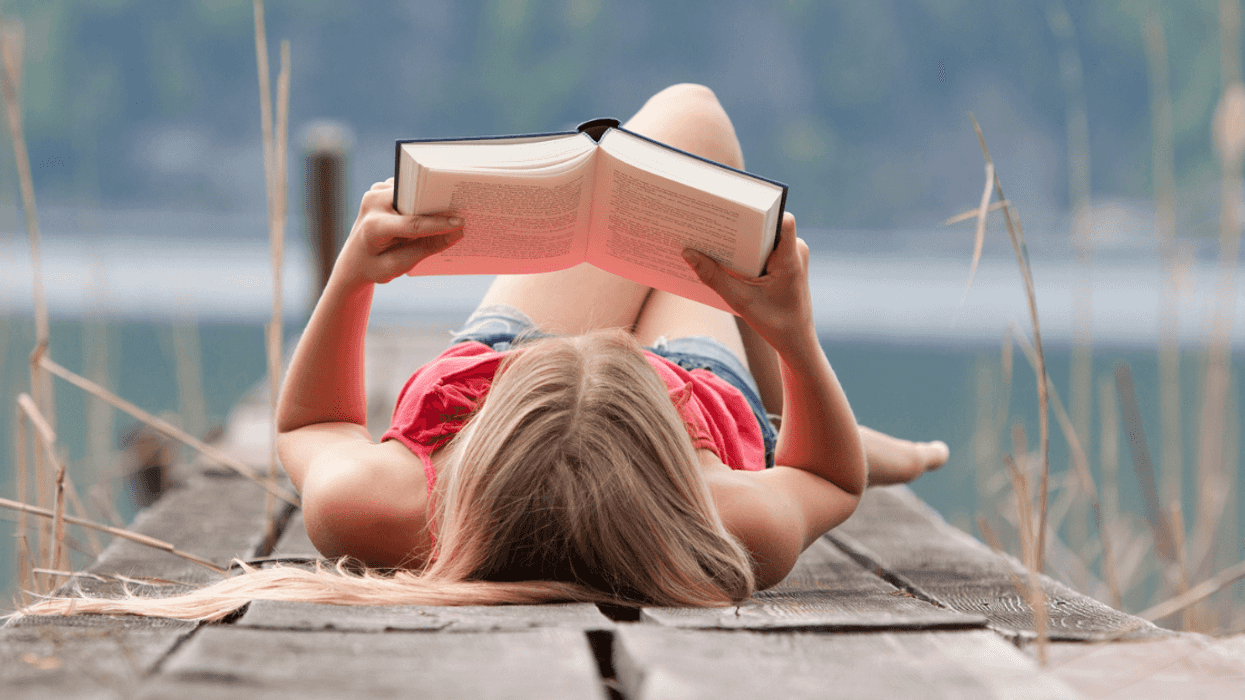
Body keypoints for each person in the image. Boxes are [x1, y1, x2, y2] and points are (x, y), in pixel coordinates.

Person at [23, 84, 947, 620]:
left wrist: (351, 278)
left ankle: (784, 403)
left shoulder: (382, 505)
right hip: (701, 397)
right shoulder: (719, 513)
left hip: (593, 411)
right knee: (692, 124)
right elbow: (827, 481)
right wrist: (790, 332)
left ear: (473, 434)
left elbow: (311, 419)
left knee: (681, 148)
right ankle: (798, 412)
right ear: (681, 464)